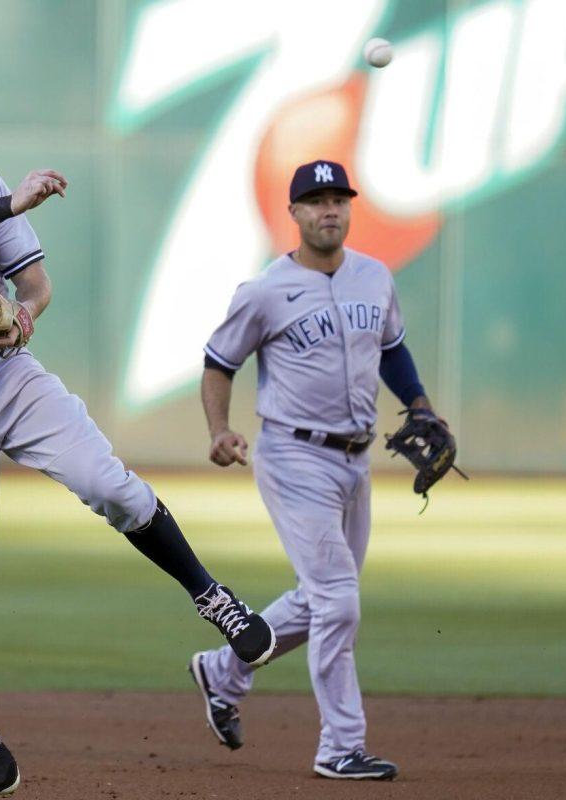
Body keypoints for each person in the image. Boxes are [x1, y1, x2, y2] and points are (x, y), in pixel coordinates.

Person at [0, 55, 275, 796]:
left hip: (2, 373)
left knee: (114, 488)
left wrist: (26, 311)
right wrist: (9, 202)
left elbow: (33, 281)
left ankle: (212, 597)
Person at [192, 159, 448, 781]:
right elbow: (218, 362)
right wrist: (220, 430)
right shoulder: (264, 291)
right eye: (316, 200)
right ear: (295, 214)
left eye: (339, 198)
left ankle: (224, 671)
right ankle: (341, 745)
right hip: (293, 455)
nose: (329, 209)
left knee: (321, 598)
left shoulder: (375, 278)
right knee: (340, 599)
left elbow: (391, 350)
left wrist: (419, 404)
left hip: (356, 460)